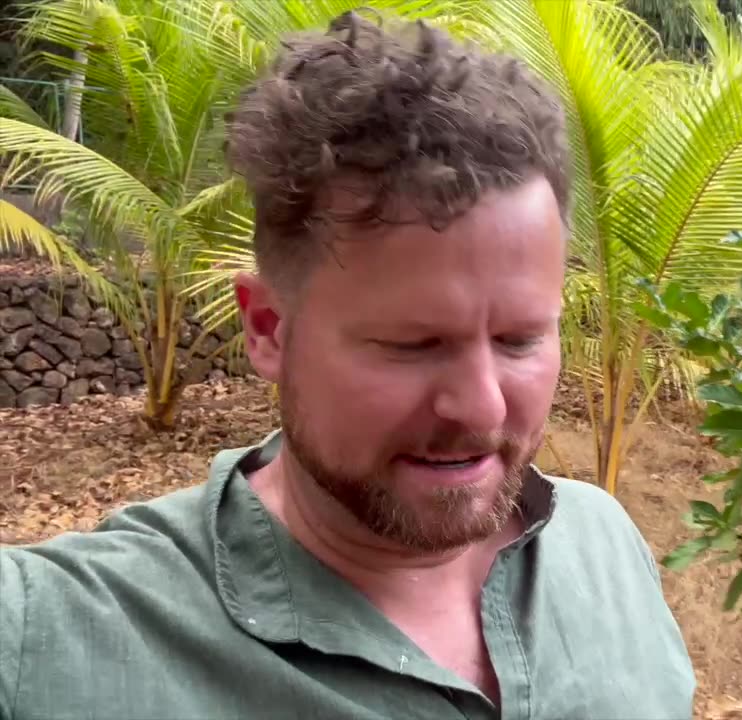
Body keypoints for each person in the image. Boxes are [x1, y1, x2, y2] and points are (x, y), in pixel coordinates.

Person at [0, 13, 695, 720]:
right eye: (412, 345)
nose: (483, 407)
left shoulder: (604, 544)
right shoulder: (56, 634)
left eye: (520, 340)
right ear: (269, 329)